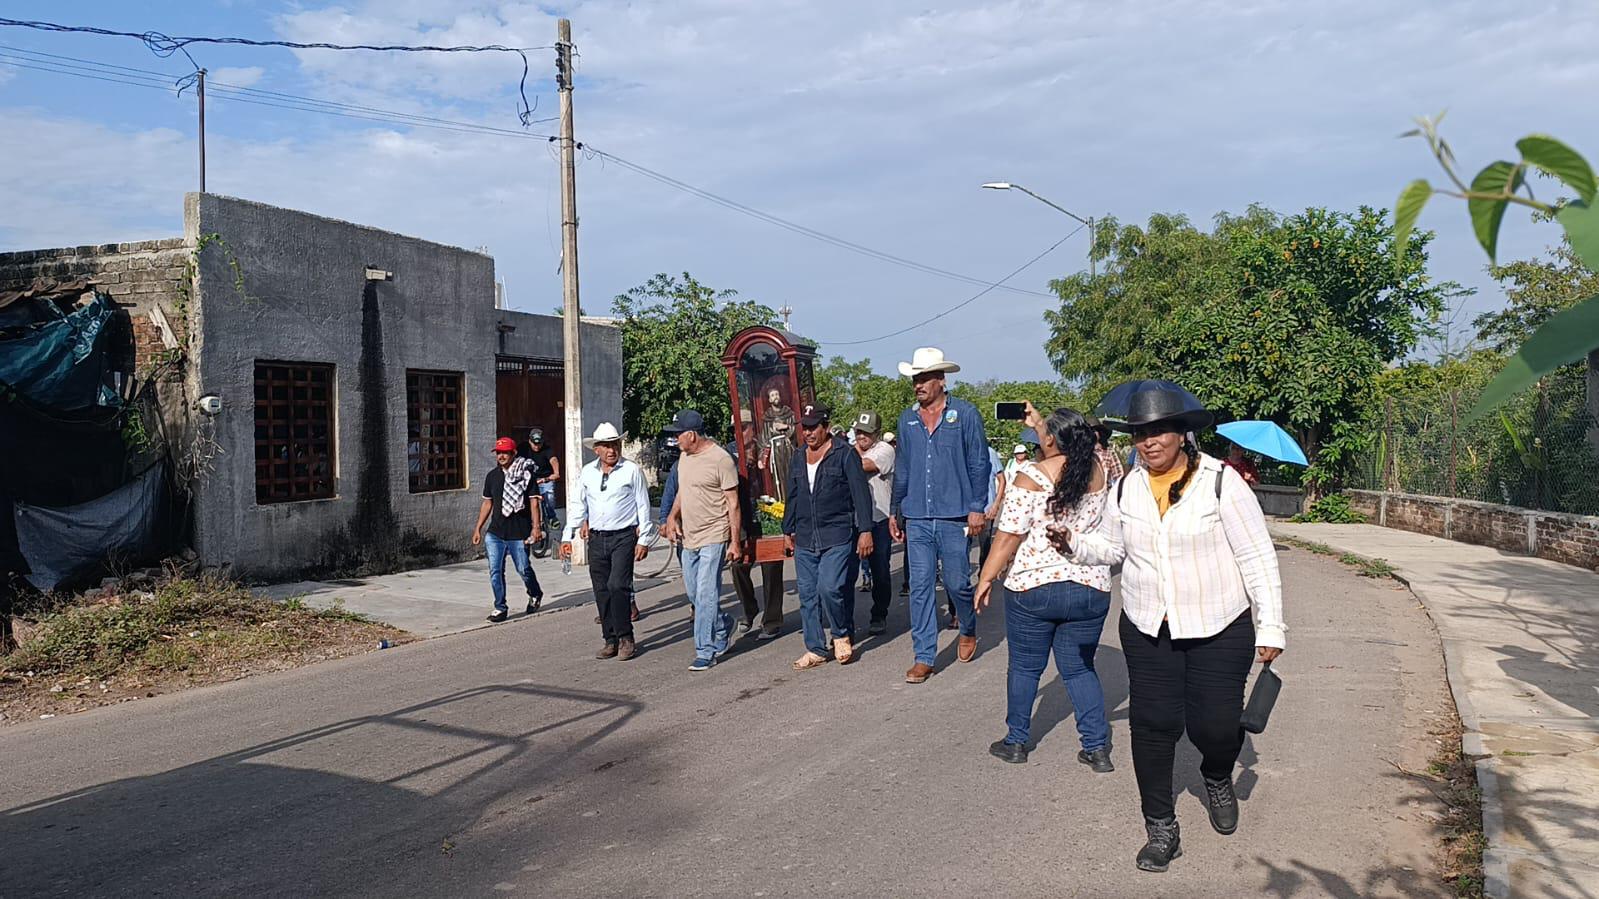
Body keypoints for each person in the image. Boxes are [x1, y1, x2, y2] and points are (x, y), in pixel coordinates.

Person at [1055, 387, 1286, 873]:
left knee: (1216, 727)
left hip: (1219, 626)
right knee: (1154, 728)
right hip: (1147, 626)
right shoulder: (1127, 488)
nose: (1149, 441)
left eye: (1159, 430)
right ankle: (1160, 826)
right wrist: (1074, 543)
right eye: (1140, 432)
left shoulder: (1221, 483)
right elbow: (1113, 550)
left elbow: (1257, 559)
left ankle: (1217, 773)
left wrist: (1272, 625)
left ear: (1183, 433)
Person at [975, 403, 1114, 773]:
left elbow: (1007, 538)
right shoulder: (1098, 470)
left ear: (1050, 440)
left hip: (1034, 585)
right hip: (1089, 585)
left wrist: (986, 578)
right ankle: (1097, 748)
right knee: (1080, 668)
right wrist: (1040, 423)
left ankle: (1016, 740)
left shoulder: (1030, 477)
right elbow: (1069, 444)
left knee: (1024, 667)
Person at [889, 347, 991, 684]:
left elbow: (979, 462)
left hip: (954, 515)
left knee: (957, 582)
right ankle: (924, 656)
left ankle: (968, 625)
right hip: (917, 514)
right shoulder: (907, 419)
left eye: (922, 378)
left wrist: (977, 507)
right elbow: (902, 468)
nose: (917, 384)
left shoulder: (965, 414)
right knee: (920, 585)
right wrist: (896, 509)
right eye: (915, 378)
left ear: (940, 380)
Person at [784, 405, 875, 670]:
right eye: (806, 428)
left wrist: (866, 531)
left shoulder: (845, 454)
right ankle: (815, 648)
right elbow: (792, 495)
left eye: (814, 427)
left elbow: (860, 495)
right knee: (808, 594)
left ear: (826, 426)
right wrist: (786, 529)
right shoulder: (799, 456)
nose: (809, 433)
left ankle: (840, 634)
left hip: (837, 533)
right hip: (804, 536)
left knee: (830, 587)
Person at [660, 409, 745, 672]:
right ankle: (722, 625)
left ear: (692, 435)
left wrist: (735, 542)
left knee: (707, 593)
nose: (675, 440)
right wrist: (672, 517)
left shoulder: (721, 460)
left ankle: (704, 650)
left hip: (714, 534)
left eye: (678, 435)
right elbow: (683, 493)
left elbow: (733, 504)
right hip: (690, 537)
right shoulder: (684, 459)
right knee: (694, 593)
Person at [562, 423, 652, 661]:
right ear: (597, 449)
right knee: (601, 590)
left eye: (616, 445)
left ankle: (626, 637)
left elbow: (643, 506)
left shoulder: (631, 470)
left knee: (617, 586)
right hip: (597, 538)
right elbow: (579, 505)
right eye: (607, 446)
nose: (612, 450)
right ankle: (610, 639)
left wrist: (644, 540)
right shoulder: (588, 473)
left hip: (623, 536)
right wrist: (567, 535)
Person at [471, 437, 544, 623]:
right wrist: (478, 528)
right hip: (495, 533)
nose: (501, 456)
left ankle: (535, 593)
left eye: (505, 452)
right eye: (499, 453)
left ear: (514, 453)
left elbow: (534, 502)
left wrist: (536, 528)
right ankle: (500, 607)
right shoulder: (492, 476)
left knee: (523, 569)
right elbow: (488, 503)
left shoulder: (526, 475)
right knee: (495, 570)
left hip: (518, 532)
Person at [728, 410, 786, 640]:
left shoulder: (768, 448)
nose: (738, 433)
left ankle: (772, 620)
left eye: (743, 427)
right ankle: (749, 608)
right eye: (735, 429)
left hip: (769, 513)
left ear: (753, 427)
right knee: (737, 566)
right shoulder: (729, 453)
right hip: (743, 517)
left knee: (772, 566)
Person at [851, 411, 896, 635]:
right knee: (849, 572)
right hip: (855, 520)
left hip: (879, 519)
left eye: (866, 433)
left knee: (880, 571)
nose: (862, 437)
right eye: (859, 432)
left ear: (876, 434)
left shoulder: (885, 450)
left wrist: (853, 451)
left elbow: (864, 466)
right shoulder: (852, 449)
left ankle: (879, 614)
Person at [760, 386, 797, 503]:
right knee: (778, 477)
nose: (775, 397)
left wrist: (786, 427)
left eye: (777, 394)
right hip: (775, 453)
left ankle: (793, 499)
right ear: (769, 400)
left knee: (790, 473)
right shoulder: (767, 417)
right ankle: (781, 501)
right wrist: (763, 456)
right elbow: (764, 437)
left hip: (788, 449)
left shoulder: (788, 413)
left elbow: (796, 430)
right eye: (772, 395)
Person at [524, 428, 561, 524]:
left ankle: (551, 516)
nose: (536, 446)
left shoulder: (547, 449)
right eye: (534, 443)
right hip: (529, 480)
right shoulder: (523, 448)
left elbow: (553, 459)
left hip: (545, 479)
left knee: (549, 497)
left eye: (539, 443)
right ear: (529, 441)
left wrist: (555, 473)